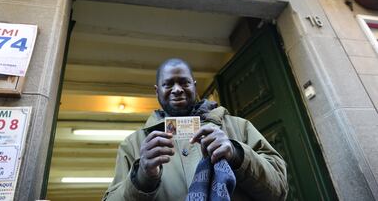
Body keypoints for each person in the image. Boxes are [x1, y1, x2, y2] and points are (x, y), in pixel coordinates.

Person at [103, 58, 288, 200]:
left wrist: (237, 154)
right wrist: (141, 177)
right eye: (168, 84)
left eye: (184, 82)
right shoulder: (133, 144)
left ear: (194, 86)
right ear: (156, 91)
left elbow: (279, 189)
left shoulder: (239, 127)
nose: (177, 89)